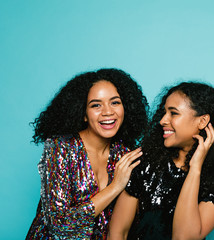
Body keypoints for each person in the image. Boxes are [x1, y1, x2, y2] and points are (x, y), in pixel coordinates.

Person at [109, 82, 214, 240]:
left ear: (202, 121)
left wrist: (195, 168)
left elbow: (184, 237)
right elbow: (117, 233)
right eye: (164, 113)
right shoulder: (145, 163)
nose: (162, 120)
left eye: (173, 113)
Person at [26, 68, 148, 239]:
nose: (107, 112)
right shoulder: (60, 148)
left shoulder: (125, 154)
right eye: (96, 105)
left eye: (115, 102)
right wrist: (115, 187)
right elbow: (60, 227)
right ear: (83, 114)